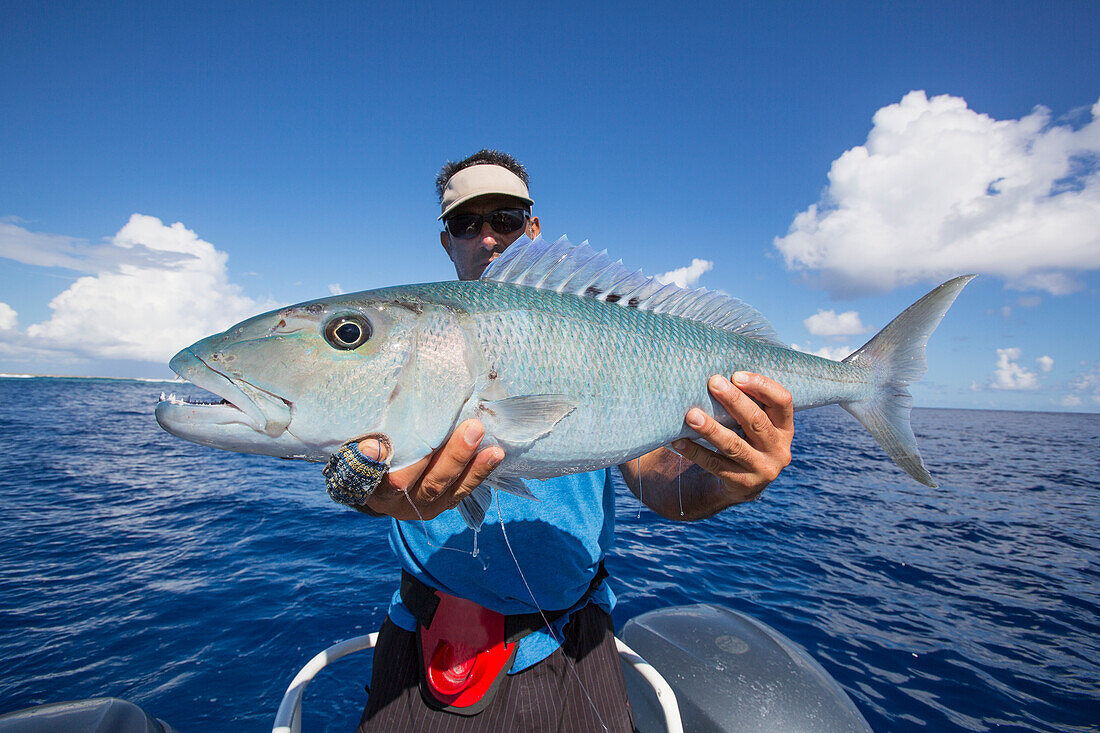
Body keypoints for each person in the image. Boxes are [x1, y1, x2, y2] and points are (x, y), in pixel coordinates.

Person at [343, 150, 794, 732]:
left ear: (532, 228)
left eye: (504, 219)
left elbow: (661, 483)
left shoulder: (602, 328)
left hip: (571, 641)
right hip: (425, 642)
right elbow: (356, 462)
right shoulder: (406, 346)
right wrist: (358, 485)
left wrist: (727, 480)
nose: (487, 238)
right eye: (466, 223)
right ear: (446, 242)